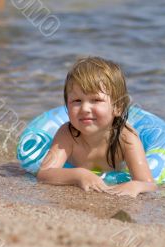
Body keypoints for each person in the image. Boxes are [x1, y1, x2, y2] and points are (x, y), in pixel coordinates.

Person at [37, 57, 158, 198]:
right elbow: (44, 173)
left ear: (117, 107)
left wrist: (135, 185)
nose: (85, 108)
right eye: (77, 101)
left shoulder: (126, 137)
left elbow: (149, 184)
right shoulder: (67, 134)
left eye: (96, 100)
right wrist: (79, 174)